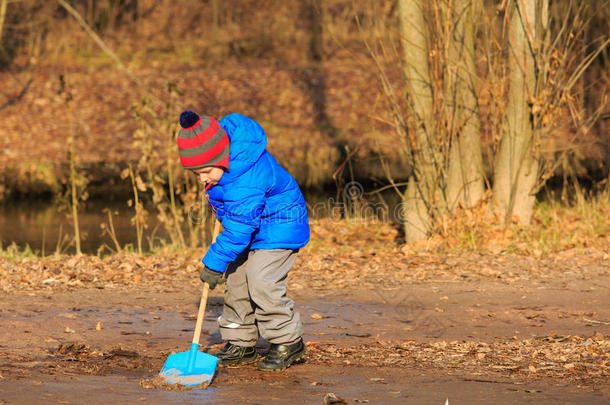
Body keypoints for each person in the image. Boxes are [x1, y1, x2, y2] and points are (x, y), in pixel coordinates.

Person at [176, 110, 310, 371]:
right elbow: (237, 215)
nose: (202, 179)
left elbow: (240, 226)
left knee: (261, 278)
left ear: (220, 159)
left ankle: (288, 341)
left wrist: (214, 262)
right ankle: (241, 342)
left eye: (204, 172)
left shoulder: (245, 176)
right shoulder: (225, 167)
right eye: (197, 175)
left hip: (280, 225)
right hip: (253, 224)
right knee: (237, 278)